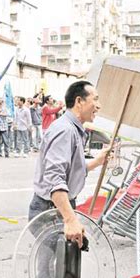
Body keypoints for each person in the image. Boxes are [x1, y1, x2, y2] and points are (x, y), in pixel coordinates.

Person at [29, 80, 110, 248]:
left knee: (63, 264)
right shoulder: (65, 130)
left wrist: (98, 161)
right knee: (53, 267)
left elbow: (71, 171)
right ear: (79, 101)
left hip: (59, 206)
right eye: (95, 99)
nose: (99, 105)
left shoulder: (74, 129)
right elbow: (55, 178)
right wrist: (70, 219)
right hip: (50, 209)